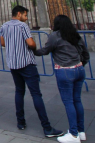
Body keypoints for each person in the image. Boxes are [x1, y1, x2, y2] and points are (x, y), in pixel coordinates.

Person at [0, 6, 63, 137]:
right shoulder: (23, 26)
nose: (26, 17)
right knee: (36, 94)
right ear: (19, 14)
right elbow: (31, 43)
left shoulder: (4, 26)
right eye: (25, 15)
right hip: (27, 64)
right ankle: (47, 128)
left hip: (13, 64)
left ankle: (20, 122)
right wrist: (33, 45)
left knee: (19, 91)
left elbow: (3, 43)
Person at [34, 15, 90, 143]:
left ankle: (74, 134)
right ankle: (81, 132)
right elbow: (85, 53)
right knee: (77, 101)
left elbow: (45, 51)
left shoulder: (55, 36)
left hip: (65, 71)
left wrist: (32, 50)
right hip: (79, 70)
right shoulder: (75, 35)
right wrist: (80, 64)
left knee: (69, 102)